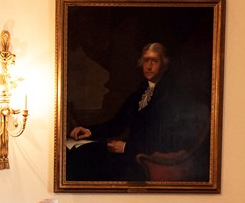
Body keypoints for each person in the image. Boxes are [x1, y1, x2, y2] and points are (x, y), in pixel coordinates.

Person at [66, 42, 208, 182]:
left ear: (164, 65)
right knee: (80, 152)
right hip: (130, 155)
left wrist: (127, 147)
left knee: (91, 159)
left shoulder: (172, 96)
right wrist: (90, 131)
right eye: (146, 60)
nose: (149, 66)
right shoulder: (140, 93)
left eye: (154, 61)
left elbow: (168, 140)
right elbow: (117, 123)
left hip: (144, 160)